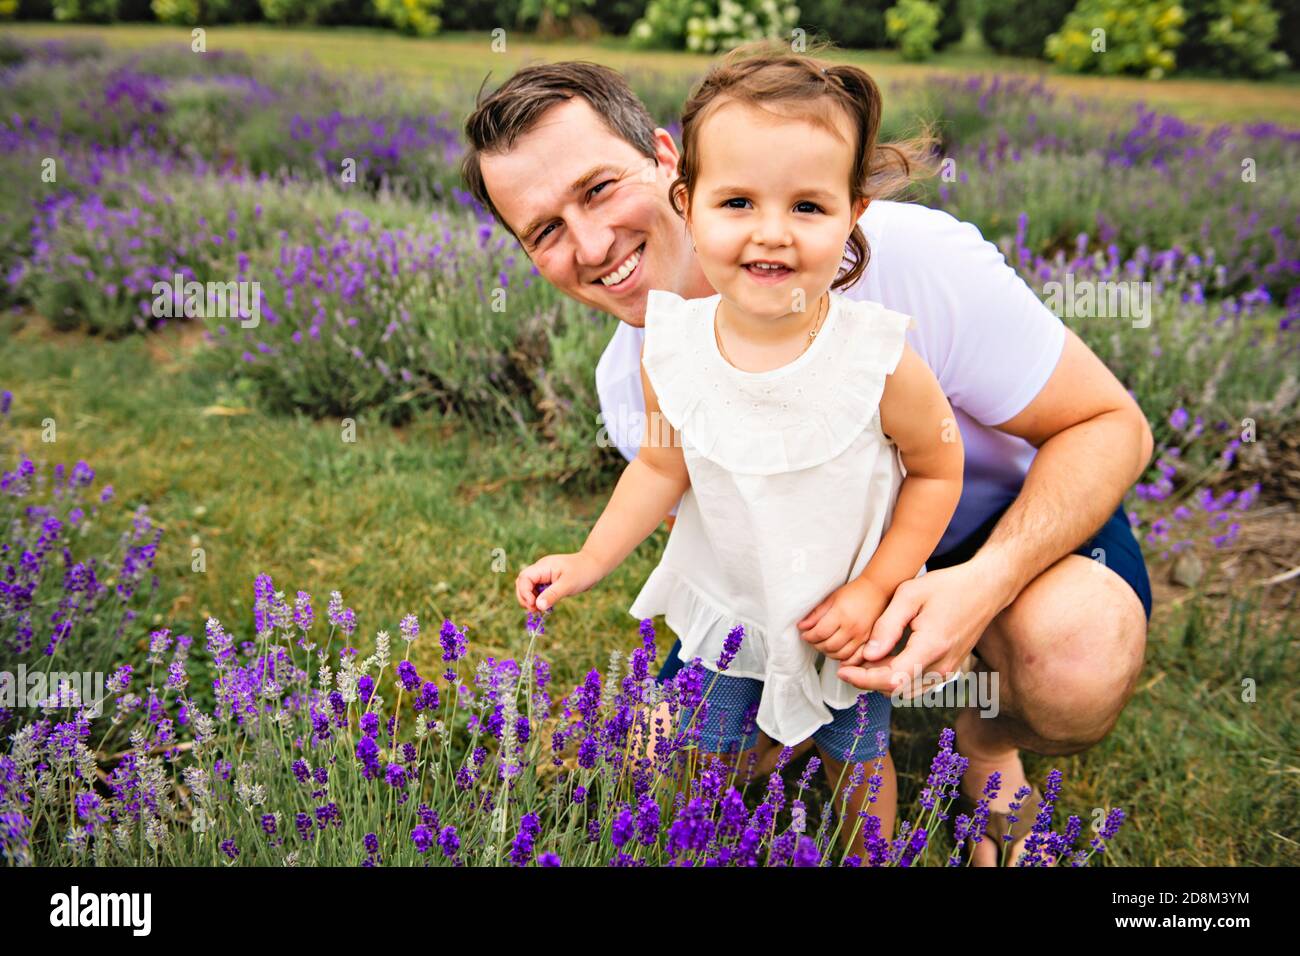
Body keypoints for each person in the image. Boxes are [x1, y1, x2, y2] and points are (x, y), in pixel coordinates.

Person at [463, 39, 1154, 866]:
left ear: (664, 160)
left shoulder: (912, 267)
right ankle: (823, 722)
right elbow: (728, 524)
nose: (591, 243)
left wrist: (979, 586)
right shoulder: (642, 370)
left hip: (995, 532)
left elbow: (1113, 426)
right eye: (544, 230)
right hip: (819, 577)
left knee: (1074, 660)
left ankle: (984, 737)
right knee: (650, 759)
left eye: (599, 188)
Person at [513, 46, 965, 858]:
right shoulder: (673, 344)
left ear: (852, 214)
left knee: (857, 761)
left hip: (842, 617)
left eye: (808, 207)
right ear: (686, 203)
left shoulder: (877, 354)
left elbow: (937, 471)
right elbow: (659, 467)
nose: (771, 234)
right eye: (738, 201)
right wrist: (587, 561)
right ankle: (699, 843)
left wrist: (873, 589)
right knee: (702, 751)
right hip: (729, 610)